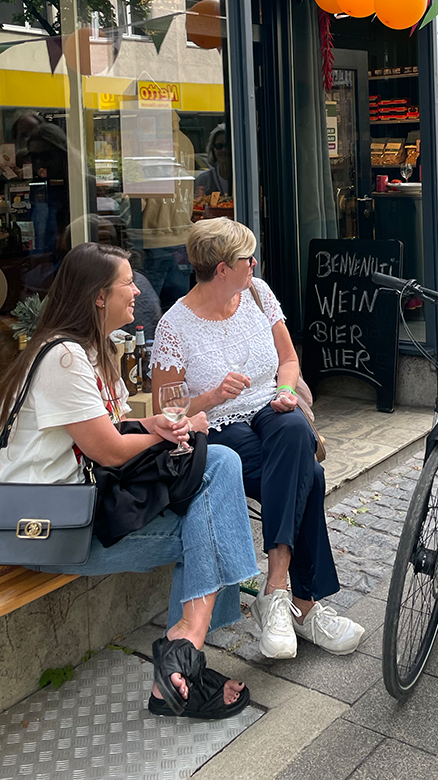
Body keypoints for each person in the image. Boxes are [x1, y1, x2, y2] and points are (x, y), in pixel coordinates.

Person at [0, 242, 259, 719]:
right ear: (99, 296)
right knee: (209, 522)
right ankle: (185, 653)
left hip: (86, 508)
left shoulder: (91, 352)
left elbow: (114, 432)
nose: (136, 291)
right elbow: (107, 450)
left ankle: (184, 652)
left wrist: (154, 426)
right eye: (126, 282)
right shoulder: (64, 359)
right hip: (51, 529)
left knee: (218, 467)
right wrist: (160, 435)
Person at [150, 218, 365, 660]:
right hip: (220, 427)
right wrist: (211, 396)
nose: (255, 264)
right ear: (223, 267)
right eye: (248, 258)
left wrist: (286, 392)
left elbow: (289, 359)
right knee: (310, 476)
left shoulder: (258, 293)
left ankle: (275, 589)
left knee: (293, 430)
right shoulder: (175, 326)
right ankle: (303, 605)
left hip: (273, 407)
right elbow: (166, 413)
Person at [194, 124, 230, 197]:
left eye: (228, 145)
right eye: (219, 146)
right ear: (212, 150)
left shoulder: (244, 177)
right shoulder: (204, 179)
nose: (224, 150)